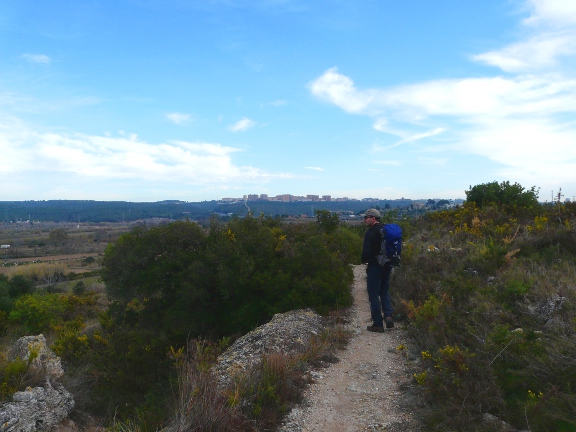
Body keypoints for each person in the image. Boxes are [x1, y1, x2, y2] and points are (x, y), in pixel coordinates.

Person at [361, 208, 394, 333]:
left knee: (373, 294)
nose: (365, 219)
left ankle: (378, 324)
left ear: (373, 218)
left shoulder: (371, 232)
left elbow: (366, 253)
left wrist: (364, 260)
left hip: (376, 266)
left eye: (367, 217)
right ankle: (389, 316)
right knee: (384, 291)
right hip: (388, 265)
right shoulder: (386, 230)